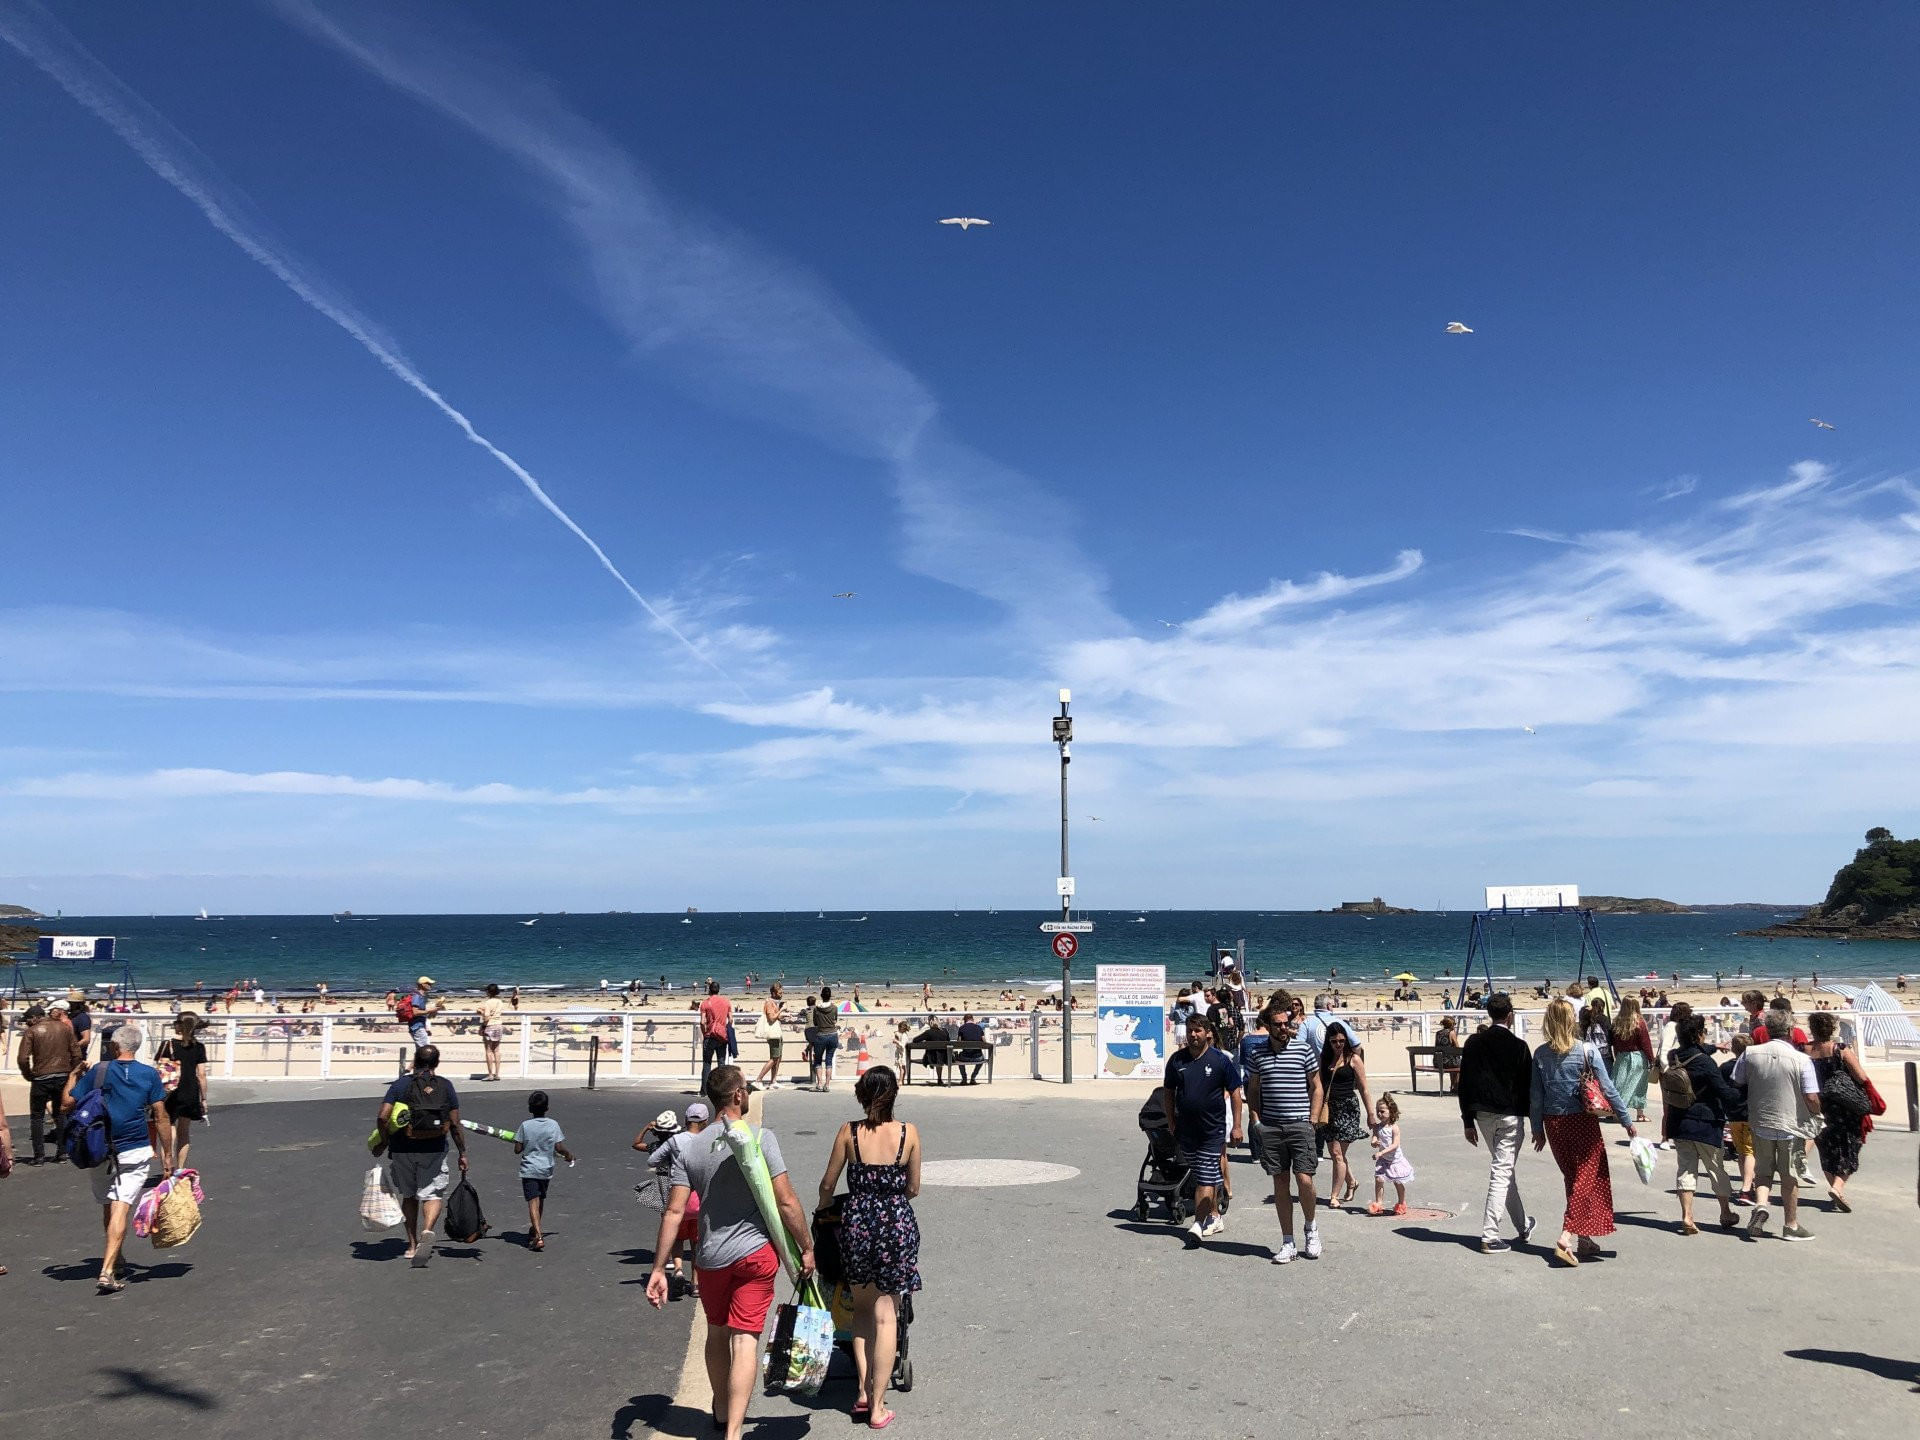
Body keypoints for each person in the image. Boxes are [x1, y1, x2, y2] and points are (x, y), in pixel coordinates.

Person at [646, 1066, 814, 1440]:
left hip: (710, 1259)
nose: (750, 1094)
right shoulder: (759, 1137)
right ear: (737, 1095)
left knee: (717, 1334)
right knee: (745, 1340)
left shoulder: (688, 1148)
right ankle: (734, 1432)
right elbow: (786, 1202)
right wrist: (806, 1245)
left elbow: (674, 1211)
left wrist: (659, 1267)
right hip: (755, 1255)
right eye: (747, 1089)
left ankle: (721, 1410)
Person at [816, 1065, 921, 1429]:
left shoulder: (850, 1132)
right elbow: (914, 1188)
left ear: (862, 1094)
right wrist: (890, 1198)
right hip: (895, 1222)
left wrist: (823, 1209)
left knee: (860, 1311)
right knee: (887, 1312)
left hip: (858, 1222)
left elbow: (827, 1184)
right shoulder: (908, 1133)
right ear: (894, 1093)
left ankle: (861, 1392)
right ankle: (878, 1405)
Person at [62, 1025, 171, 1294]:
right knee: (121, 1206)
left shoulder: (99, 1070)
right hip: (134, 1148)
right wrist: (168, 1155)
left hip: (100, 1148)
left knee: (109, 1204)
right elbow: (161, 1116)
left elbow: (66, 1103)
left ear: (113, 1046)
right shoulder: (149, 1075)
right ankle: (108, 1269)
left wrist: (74, 1075)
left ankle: (116, 1258)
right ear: (137, 1047)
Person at [1529, 998, 1638, 1266]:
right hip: (1581, 1120)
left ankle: (1585, 1238)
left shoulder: (1541, 1053)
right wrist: (1625, 1119)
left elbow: (1535, 1096)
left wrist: (1536, 1129)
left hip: (1553, 1123)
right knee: (1588, 1176)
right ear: (1571, 1021)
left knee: (1573, 1179)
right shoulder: (1586, 1050)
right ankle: (1566, 1235)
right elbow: (1608, 1087)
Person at [1732, 1004, 1822, 1241]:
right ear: (1790, 1030)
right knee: (1788, 1176)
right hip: (1790, 1123)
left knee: (1763, 1171)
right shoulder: (1801, 1059)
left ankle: (1761, 1204)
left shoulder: (1750, 1054)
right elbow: (1811, 1096)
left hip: (1760, 1119)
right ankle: (1790, 1224)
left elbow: (1737, 1080)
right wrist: (1817, 1113)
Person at [1243, 996, 1323, 1263]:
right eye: (1277, 1024)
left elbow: (1317, 1086)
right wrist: (1255, 1119)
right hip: (1272, 1126)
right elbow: (1252, 1089)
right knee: (1280, 1182)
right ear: (1267, 1025)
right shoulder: (1257, 1054)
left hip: (1300, 1124)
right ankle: (1287, 1241)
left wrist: (1313, 1118)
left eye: (1286, 1023)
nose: (1283, 1028)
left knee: (1305, 1180)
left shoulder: (1303, 1050)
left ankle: (1311, 1229)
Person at [374, 1044, 468, 1267]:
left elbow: (382, 1116)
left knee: (408, 1195)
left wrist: (385, 1140)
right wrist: (462, 1152)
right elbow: (454, 1123)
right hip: (434, 1148)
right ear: (436, 1062)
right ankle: (427, 1230)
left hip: (402, 1149)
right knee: (432, 1194)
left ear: (415, 1061)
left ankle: (412, 1245)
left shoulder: (401, 1085)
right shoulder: (445, 1086)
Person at [1457, 992, 1535, 1253]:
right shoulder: (1519, 1047)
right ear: (1510, 1016)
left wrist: (1467, 1120)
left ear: (1489, 1014)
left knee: (1505, 1170)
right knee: (1502, 1172)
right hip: (1510, 1115)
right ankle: (1490, 1235)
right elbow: (1529, 1089)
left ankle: (1523, 1225)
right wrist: (1536, 1123)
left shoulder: (1474, 1043)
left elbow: (1464, 1083)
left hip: (1482, 1115)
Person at [1161, 1012, 1244, 1241]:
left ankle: (1198, 1223)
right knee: (1204, 1173)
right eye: (1190, 1031)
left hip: (1212, 1130)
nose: (1193, 1035)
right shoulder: (1177, 1061)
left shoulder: (1220, 1060)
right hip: (1186, 1131)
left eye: (1198, 1031)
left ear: (1208, 1033)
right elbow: (1168, 1093)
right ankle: (1215, 1216)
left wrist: (1237, 1126)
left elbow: (1236, 1093)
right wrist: (1171, 1122)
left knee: (1205, 1178)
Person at [1663, 1013, 1742, 1234]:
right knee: (1716, 1170)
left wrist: (1713, 1046)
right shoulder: (1706, 1063)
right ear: (1699, 1035)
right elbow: (1724, 1092)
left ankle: (1687, 1216)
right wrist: (1744, 1094)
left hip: (1680, 1121)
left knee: (1686, 1170)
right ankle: (1725, 1212)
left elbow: (1695, 1051)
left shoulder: (1673, 1056)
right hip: (1706, 1121)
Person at [1805, 1010, 1870, 1212]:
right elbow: (1861, 1077)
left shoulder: (1805, 1050)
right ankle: (1837, 1187)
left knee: (1825, 1147)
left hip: (1817, 1103)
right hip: (1844, 1106)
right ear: (1832, 1028)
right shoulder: (1840, 1050)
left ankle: (1835, 1191)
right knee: (1851, 1145)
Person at [15, 1002, 84, 1164]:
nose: (26, 1023)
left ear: (35, 1018)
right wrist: (72, 1073)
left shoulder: (32, 1032)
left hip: (41, 1077)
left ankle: (39, 1156)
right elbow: (76, 1054)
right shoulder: (64, 1029)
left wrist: (28, 1074)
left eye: (27, 1020)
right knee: (60, 1113)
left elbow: (23, 1058)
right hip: (62, 1075)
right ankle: (62, 1152)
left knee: (37, 1116)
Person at [1317, 1026, 1372, 1208]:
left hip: (1348, 1109)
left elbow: (1364, 1088)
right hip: (1328, 1110)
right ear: (1328, 1042)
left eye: (1341, 1041)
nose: (1338, 1044)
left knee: (1337, 1154)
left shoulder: (1354, 1059)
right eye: (1334, 1041)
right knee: (1336, 1154)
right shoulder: (1323, 1060)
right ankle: (1352, 1182)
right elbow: (1315, 1088)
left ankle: (1334, 1195)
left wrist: (1371, 1114)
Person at [512, 1090, 574, 1251]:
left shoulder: (525, 1126)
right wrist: (568, 1155)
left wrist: (522, 1142)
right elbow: (559, 1147)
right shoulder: (553, 1125)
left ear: (530, 1109)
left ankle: (538, 1236)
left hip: (529, 1168)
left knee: (533, 1201)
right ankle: (535, 1229)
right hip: (546, 1169)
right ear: (547, 1108)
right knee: (540, 1200)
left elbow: (517, 1149)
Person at [154, 1011, 209, 1173]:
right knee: (184, 1131)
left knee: (168, 1127)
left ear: (179, 1025)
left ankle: (167, 1169)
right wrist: (203, 1098)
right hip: (190, 1090)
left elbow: (158, 1069)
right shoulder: (198, 1047)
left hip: (170, 1091)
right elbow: (202, 1075)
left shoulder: (167, 1044)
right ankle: (180, 1169)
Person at [1721, 1034, 1757, 1204]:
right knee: (1750, 1152)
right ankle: (1746, 1189)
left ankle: (1747, 1183)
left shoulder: (1726, 1067)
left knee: (1742, 1151)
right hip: (1750, 1114)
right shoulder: (1754, 1067)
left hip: (1733, 1114)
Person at [1610, 996, 1656, 1124]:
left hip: (1622, 1056)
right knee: (1639, 1086)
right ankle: (1640, 1114)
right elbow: (1645, 1043)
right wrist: (1651, 1059)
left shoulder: (1616, 1022)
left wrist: (1616, 1055)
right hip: (1637, 1056)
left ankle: (1617, 1111)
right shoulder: (1639, 1022)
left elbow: (1614, 1043)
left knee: (1618, 1084)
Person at [1368, 1094, 1414, 1214]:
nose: (1379, 1114)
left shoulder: (1394, 1128)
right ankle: (1378, 1203)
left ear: (1391, 1111)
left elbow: (1395, 1145)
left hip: (1394, 1160)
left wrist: (1381, 1152)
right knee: (1379, 1179)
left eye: (1382, 1111)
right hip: (1383, 1159)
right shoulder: (1377, 1127)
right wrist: (1374, 1142)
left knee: (1397, 1182)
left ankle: (1401, 1203)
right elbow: (1374, 1138)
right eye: (1377, 1111)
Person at [751, 983, 788, 1092]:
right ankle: (758, 1080)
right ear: (773, 993)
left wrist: (784, 1015)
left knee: (778, 1057)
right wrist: (782, 1009)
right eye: (779, 993)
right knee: (774, 1058)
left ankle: (773, 1081)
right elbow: (771, 1018)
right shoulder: (769, 1003)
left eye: (782, 992)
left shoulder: (774, 1003)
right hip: (773, 1034)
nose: (781, 995)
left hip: (777, 1032)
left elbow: (775, 1017)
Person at [699, 982, 733, 1084]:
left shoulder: (705, 1003)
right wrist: (726, 1029)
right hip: (722, 1036)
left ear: (709, 990)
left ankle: (704, 1090)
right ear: (718, 990)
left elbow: (702, 1021)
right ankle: (721, 1089)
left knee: (707, 1063)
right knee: (721, 1064)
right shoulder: (726, 1002)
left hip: (709, 1035)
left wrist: (704, 1032)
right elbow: (731, 1020)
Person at [397, 978, 442, 1047]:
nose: (431, 985)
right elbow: (415, 1012)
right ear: (422, 985)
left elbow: (419, 1010)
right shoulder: (417, 996)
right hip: (417, 1027)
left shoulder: (419, 996)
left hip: (418, 1026)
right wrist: (430, 1010)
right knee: (425, 1050)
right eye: (429, 984)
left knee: (421, 1051)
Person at [811, 987, 841, 1092]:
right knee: (829, 1060)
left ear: (821, 996)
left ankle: (819, 1083)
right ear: (830, 996)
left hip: (821, 1035)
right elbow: (835, 1020)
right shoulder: (834, 1008)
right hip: (833, 1035)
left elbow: (815, 1023)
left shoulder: (816, 1009)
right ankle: (827, 1085)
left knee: (818, 1060)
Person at [477, 984, 507, 1082]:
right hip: (498, 1025)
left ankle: (490, 1075)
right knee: (497, 1050)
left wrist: (482, 1026)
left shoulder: (487, 1003)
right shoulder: (500, 1002)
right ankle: (497, 1074)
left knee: (489, 1051)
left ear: (488, 992)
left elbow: (486, 1016)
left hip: (489, 1026)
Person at [954, 1013, 987, 1084]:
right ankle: (973, 1077)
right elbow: (984, 1042)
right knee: (982, 1058)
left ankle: (964, 1078)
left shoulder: (961, 1028)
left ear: (965, 1020)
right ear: (972, 1019)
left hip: (965, 1057)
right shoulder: (979, 1027)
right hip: (977, 1057)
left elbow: (958, 1043)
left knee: (958, 1057)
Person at [1432, 1016, 1462, 1092]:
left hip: (1438, 1062)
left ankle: (1453, 1086)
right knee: (1459, 1063)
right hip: (1448, 1062)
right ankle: (1455, 1086)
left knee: (1453, 1060)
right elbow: (1457, 1048)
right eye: (1454, 1024)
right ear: (1451, 1025)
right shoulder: (1451, 1033)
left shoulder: (1438, 1033)